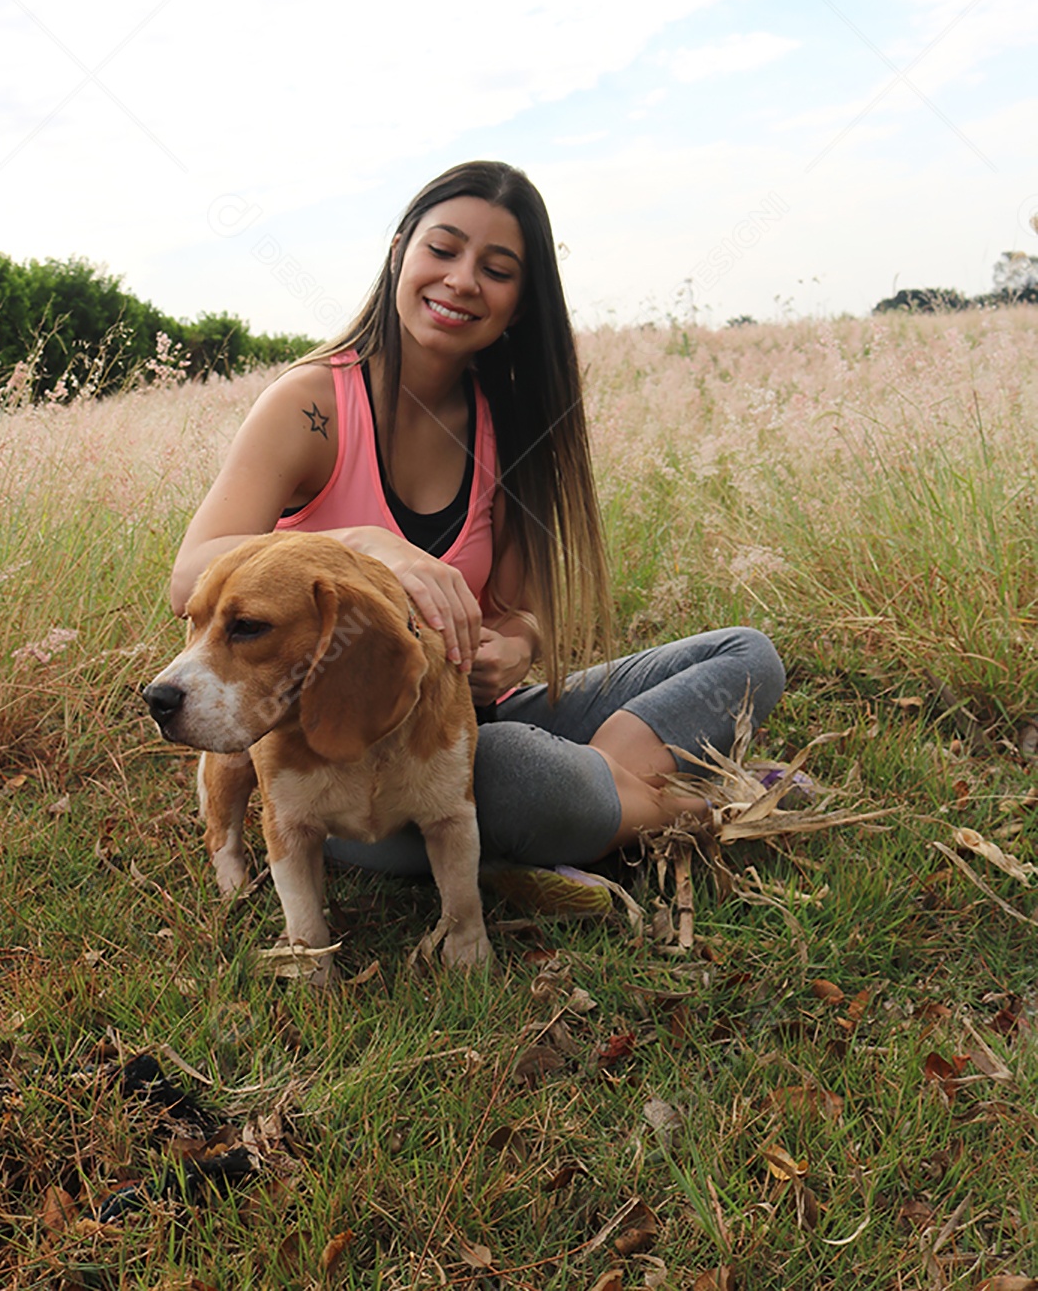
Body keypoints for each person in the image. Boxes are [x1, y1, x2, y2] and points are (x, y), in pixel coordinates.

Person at [170, 161, 785, 915]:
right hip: (337, 762)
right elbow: (189, 577)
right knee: (521, 771)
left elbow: (521, 615)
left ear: (521, 303)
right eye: (443, 249)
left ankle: (588, 808)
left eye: (496, 270)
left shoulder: (509, 422)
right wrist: (373, 546)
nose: (462, 281)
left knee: (745, 656)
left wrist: (517, 646)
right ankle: (684, 808)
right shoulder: (309, 405)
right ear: (399, 252)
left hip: (458, 730)